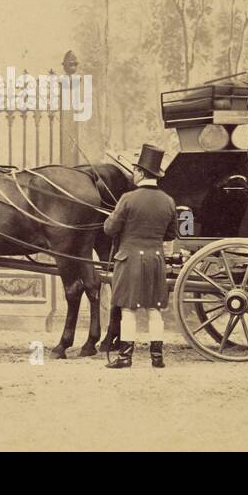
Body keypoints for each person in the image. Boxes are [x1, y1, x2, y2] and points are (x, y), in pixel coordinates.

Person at [103, 144, 176, 369]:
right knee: (154, 309)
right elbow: (171, 234)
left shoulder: (128, 198)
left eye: (135, 170)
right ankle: (157, 358)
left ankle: (125, 358)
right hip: (155, 259)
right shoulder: (168, 201)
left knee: (128, 309)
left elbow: (109, 229)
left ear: (142, 173)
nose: (133, 173)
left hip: (130, 259)